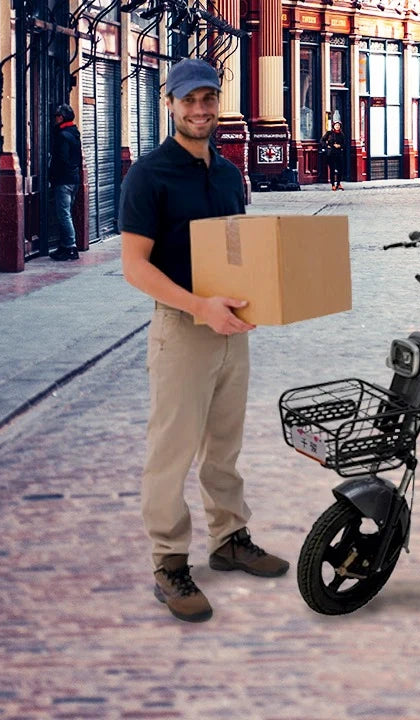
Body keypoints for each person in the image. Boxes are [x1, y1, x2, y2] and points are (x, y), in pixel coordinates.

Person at [119, 58, 289, 624]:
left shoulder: (228, 174)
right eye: (188, 100)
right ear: (169, 103)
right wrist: (199, 307)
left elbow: (236, 252)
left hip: (231, 330)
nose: (200, 109)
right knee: (171, 452)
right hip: (183, 329)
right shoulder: (149, 175)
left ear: (218, 103)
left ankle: (229, 538)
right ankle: (169, 561)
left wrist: (260, 298)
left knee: (224, 446)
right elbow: (134, 266)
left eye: (208, 99)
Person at [49, 104, 82, 261]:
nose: (55, 119)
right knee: (66, 213)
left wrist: (52, 176)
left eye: (57, 116)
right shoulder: (74, 133)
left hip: (63, 180)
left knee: (64, 214)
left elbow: (61, 159)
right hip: (74, 179)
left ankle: (70, 247)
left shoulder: (62, 135)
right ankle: (64, 246)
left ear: (61, 117)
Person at [320, 121, 345, 190]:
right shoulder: (329, 133)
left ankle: (338, 183)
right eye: (336, 125)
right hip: (331, 154)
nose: (337, 126)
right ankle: (333, 184)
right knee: (332, 169)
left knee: (340, 169)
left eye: (338, 125)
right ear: (333, 126)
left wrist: (340, 146)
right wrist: (327, 146)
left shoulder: (341, 134)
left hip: (339, 153)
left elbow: (344, 143)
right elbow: (322, 140)